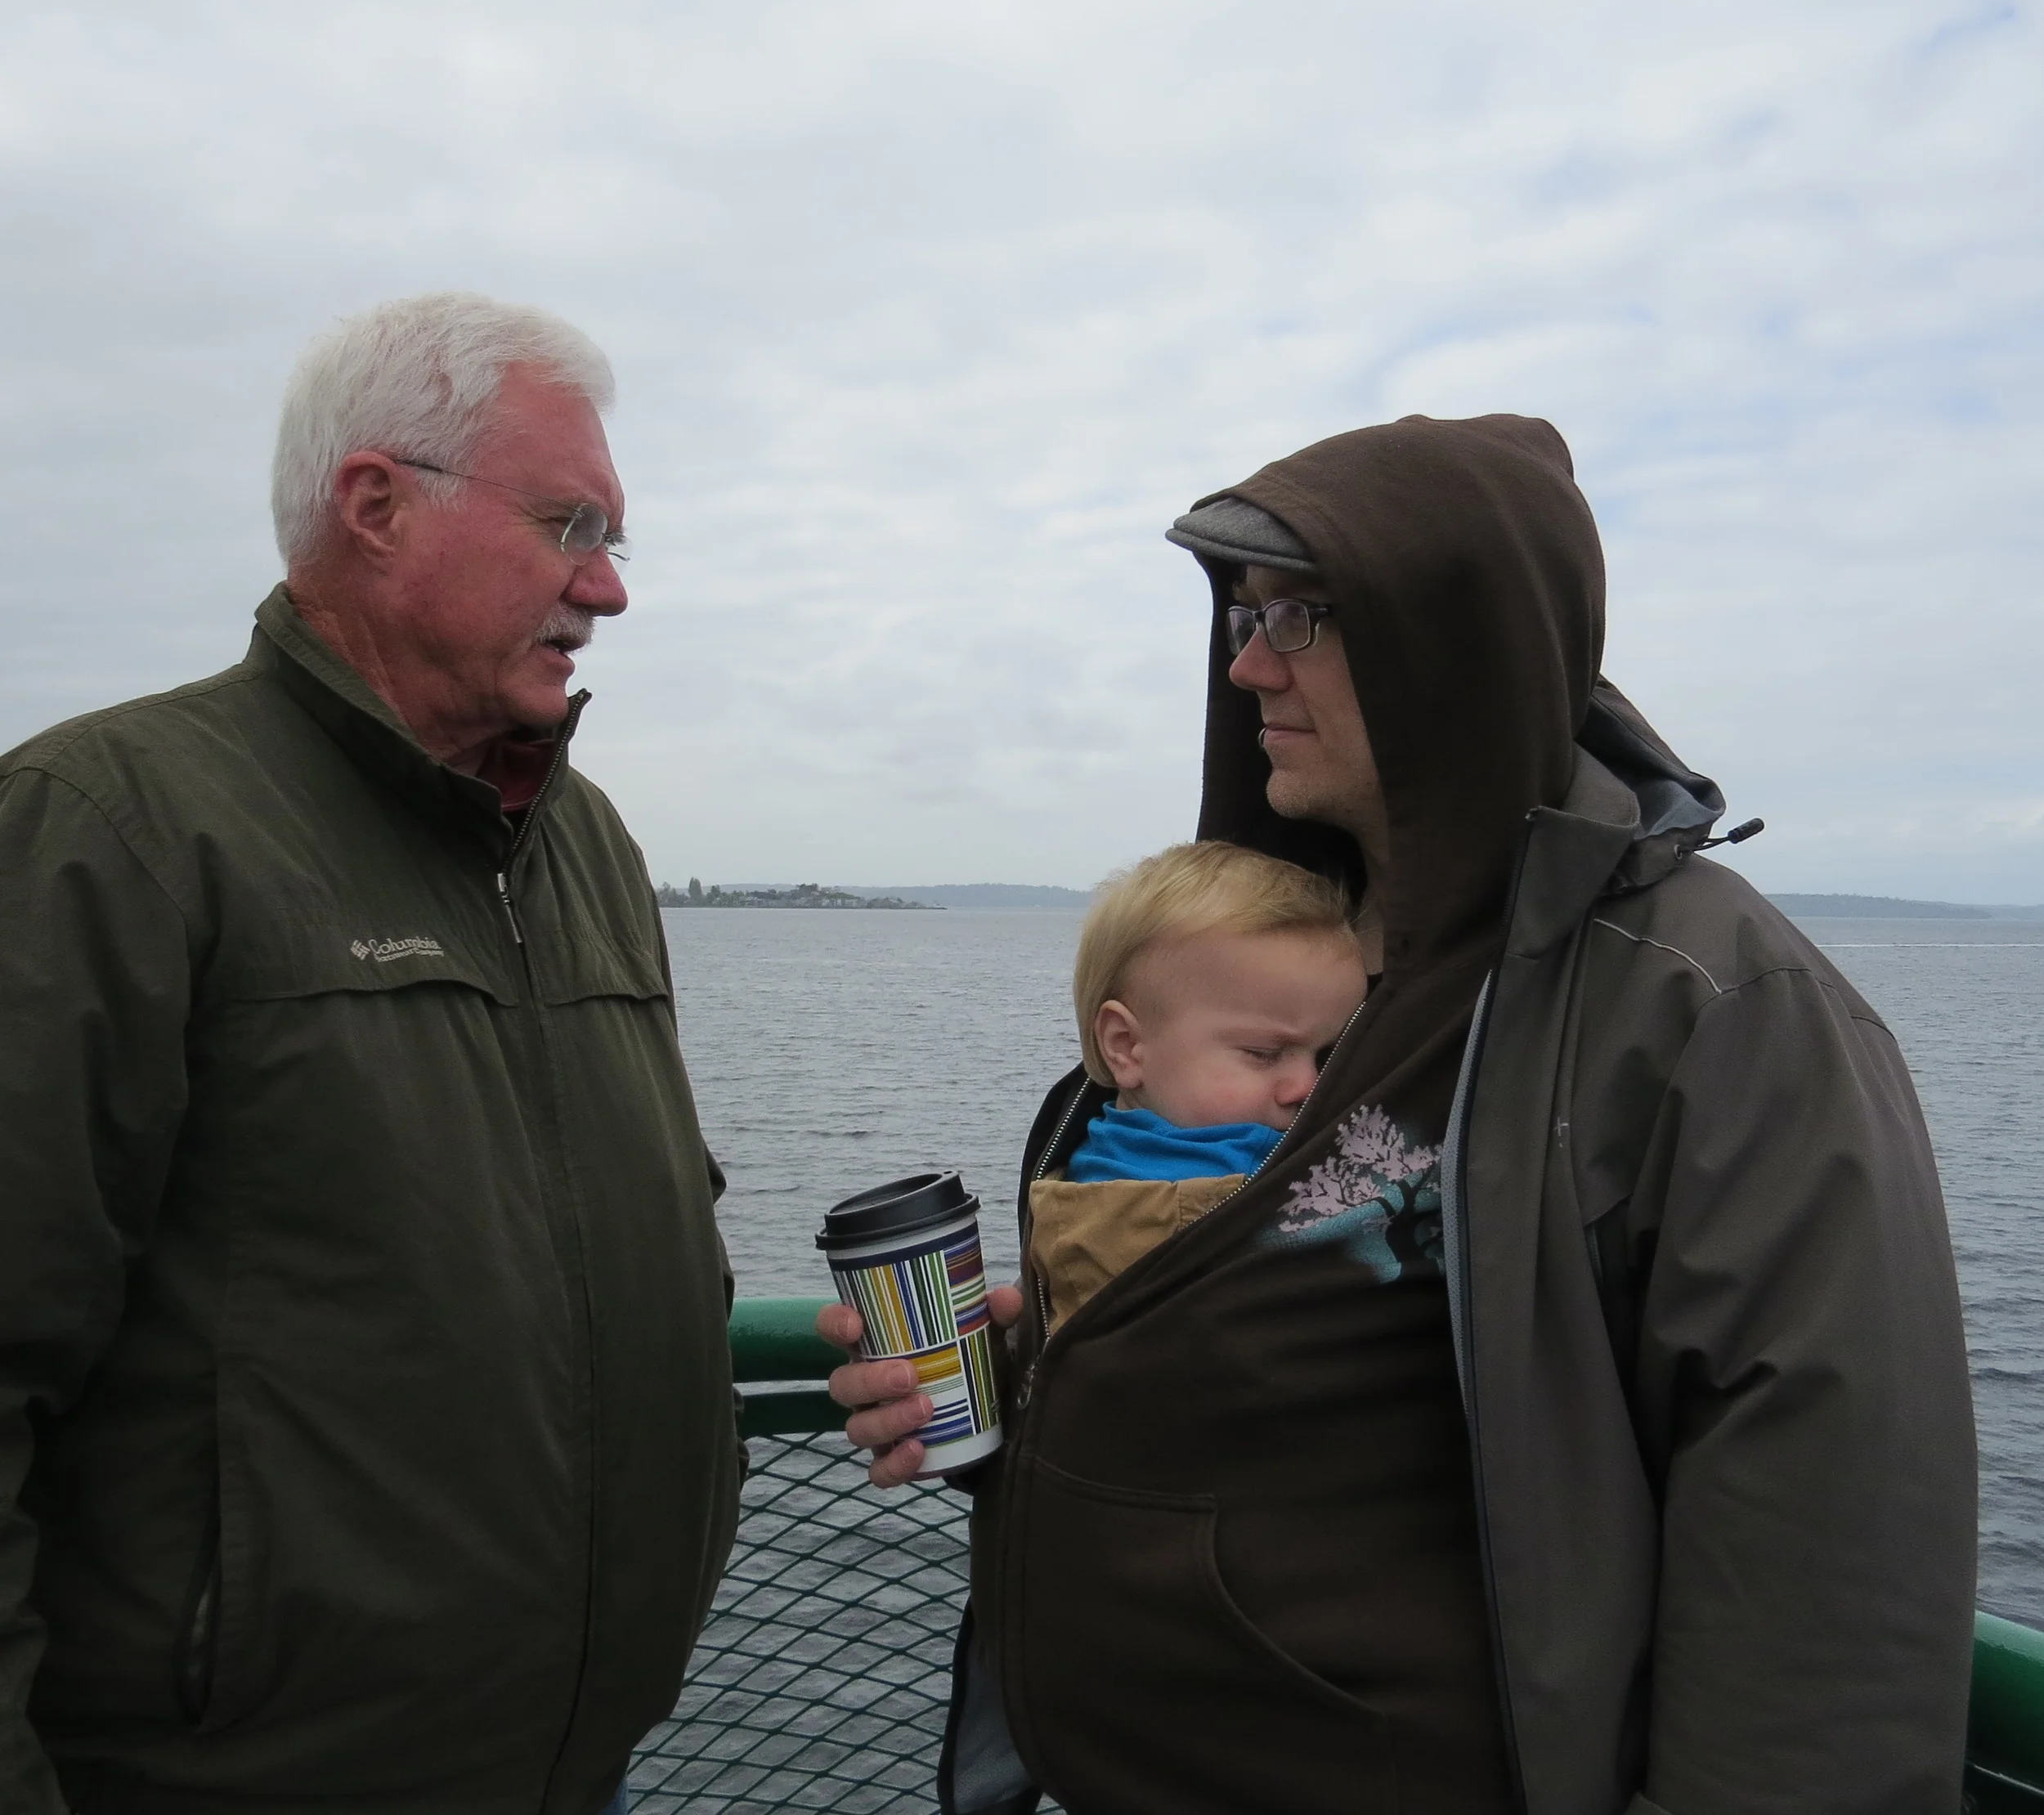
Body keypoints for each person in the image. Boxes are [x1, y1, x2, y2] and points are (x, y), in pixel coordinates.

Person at [827, 413, 1977, 1815]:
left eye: (1300, 618)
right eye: (1245, 618)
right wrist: (1046, 1384)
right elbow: (1323, 1370)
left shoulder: (1711, 1008)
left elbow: (1832, 1565)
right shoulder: (1293, 946)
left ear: (1453, 646)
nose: (1247, 662)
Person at [0, 294, 741, 1815]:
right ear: (378, 506)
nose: (606, 588)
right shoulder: (111, 828)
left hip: (573, 1767)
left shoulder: (584, 842)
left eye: (614, 540)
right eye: (570, 523)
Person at [1033, 841, 1369, 1336]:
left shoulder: (1086, 1156)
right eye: (1263, 1053)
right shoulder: (1212, 1174)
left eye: (1329, 1055)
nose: (1308, 1086)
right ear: (1126, 1046)